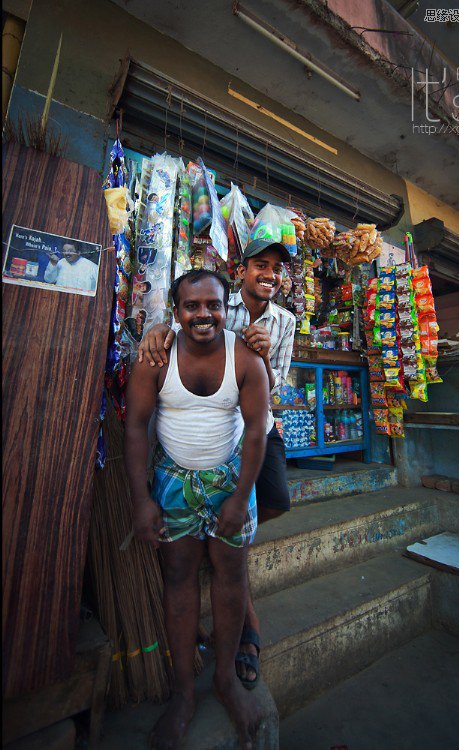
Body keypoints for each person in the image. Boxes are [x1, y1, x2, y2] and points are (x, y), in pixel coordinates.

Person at [138, 238, 296, 690]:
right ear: (242, 271)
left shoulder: (283, 320)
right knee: (203, 563)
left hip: (256, 427)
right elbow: (181, 324)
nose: (268, 274)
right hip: (196, 453)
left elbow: (273, 389)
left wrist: (261, 354)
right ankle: (243, 618)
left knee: (277, 502)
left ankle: (224, 549)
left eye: (275, 270)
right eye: (260, 266)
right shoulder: (212, 301)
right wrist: (156, 332)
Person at [125, 269, 270, 750]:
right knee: (180, 579)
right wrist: (142, 501)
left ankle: (226, 680)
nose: (203, 314)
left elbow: (254, 432)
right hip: (173, 486)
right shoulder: (156, 356)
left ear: (226, 307)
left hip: (232, 481)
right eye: (191, 306)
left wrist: (238, 496)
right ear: (175, 308)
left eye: (212, 304)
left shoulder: (246, 356)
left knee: (231, 576)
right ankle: (184, 693)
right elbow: (135, 428)